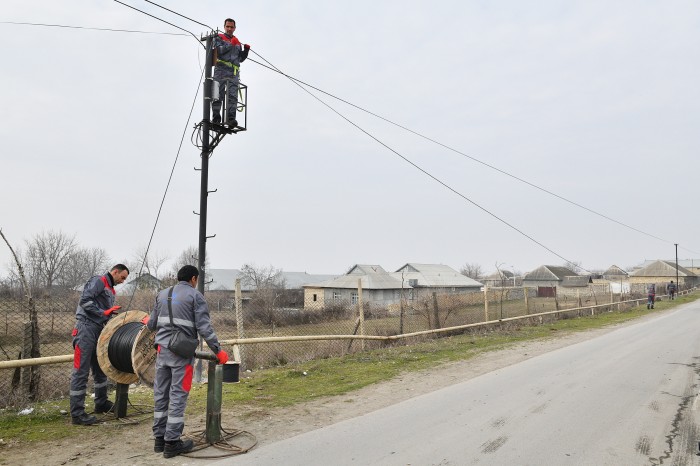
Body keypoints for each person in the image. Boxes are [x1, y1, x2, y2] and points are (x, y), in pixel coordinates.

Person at [146, 265, 229, 458]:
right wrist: (218, 350)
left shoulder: (162, 294)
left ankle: (159, 439)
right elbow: (204, 327)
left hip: (162, 352)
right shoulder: (195, 296)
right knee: (178, 395)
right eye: (197, 280)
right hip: (181, 354)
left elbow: (151, 324)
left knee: (161, 394)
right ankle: (172, 443)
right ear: (193, 278)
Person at [69, 264, 130, 425]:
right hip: (85, 330)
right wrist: (103, 313)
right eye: (122, 277)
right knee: (80, 372)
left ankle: (101, 403)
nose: (123, 281)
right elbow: (85, 301)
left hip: (99, 331)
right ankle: (77, 414)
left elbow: (104, 312)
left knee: (100, 369)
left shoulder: (111, 290)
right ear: (115, 272)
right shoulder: (99, 281)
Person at [211, 18, 250, 127]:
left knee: (233, 96)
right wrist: (230, 45)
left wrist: (245, 52)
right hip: (221, 71)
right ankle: (216, 119)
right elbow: (218, 51)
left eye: (231, 27)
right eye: (227, 26)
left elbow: (240, 59)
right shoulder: (219, 37)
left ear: (234, 28)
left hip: (233, 73)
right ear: (224, 27)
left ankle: (231, 119)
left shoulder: (237, 42)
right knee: (217, 95)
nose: (229, 29)